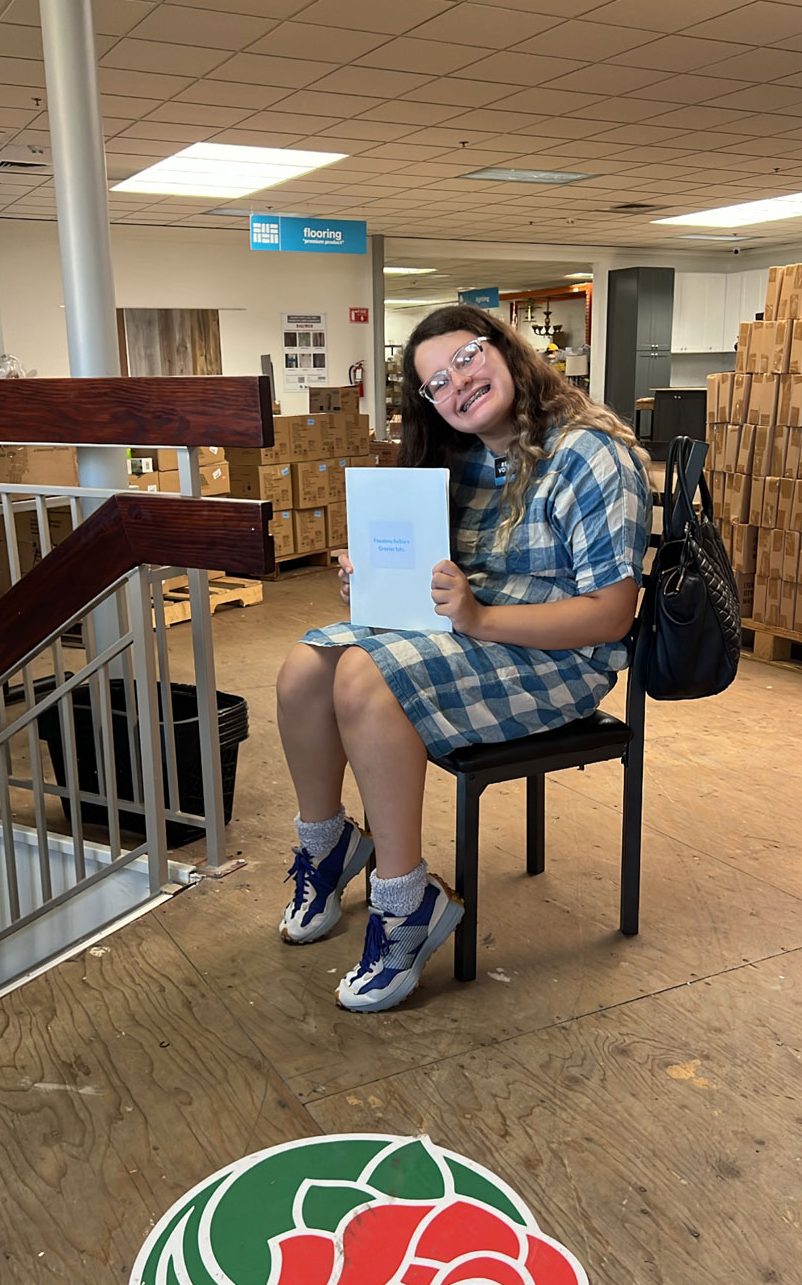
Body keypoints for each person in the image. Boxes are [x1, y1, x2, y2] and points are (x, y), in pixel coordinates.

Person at [275, 305, 652, 1015]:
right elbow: (439, 573)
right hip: (470, 634)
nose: (459, 384)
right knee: (305, 665)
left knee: (365, 674)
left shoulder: (589, 452)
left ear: (505, 350)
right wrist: (376, 577)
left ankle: (404, 902)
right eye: (437, 382)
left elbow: (610, 614)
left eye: (467, 358)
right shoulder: (462, 455)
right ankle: (328, 848)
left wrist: (477, 615)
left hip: (560, 658)